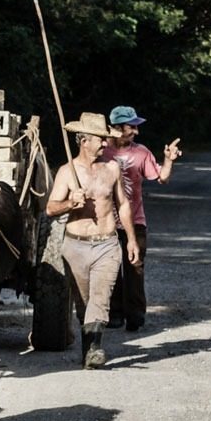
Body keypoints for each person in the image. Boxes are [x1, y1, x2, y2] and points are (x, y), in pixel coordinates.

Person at [46, 112, 140, 369]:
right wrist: (70, 203)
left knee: (101, 297)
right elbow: (50, 208)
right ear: (84, 141)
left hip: (107, 244)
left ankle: (96, 347)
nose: (105, 143)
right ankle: (89, 348)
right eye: (100, 139)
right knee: (84, 303)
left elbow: (123, 206)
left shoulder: (112, 169)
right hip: (75, 245)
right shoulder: (67, 172)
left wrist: (131, 239)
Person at [103, 106, 181, 332]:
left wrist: (169, 160)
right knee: (111, 267)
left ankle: (135, 314)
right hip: (106, 220)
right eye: (131, 127)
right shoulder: (102, 151)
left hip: (135, 220)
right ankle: (114, 313)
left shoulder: (142, 152)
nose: (136, 131)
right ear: (116, 128)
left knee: (134, 266)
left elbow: (162, 177)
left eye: (136, 127)